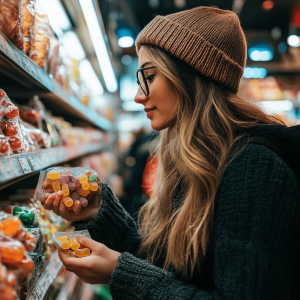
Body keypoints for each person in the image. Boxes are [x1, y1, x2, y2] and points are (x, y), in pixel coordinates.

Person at [41, 6, 300, 299]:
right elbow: (170, 270)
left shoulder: (254, 170)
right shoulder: (200, 160)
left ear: (188, 75)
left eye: (148, 76)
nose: (138, 95)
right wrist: (100, 211)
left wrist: (119, 272)